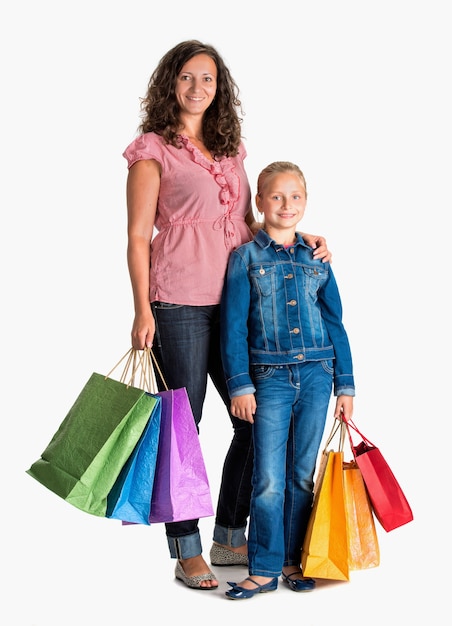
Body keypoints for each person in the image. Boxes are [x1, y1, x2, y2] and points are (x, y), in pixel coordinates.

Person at [123, 41, 332, 590]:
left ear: (220, 87)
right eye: (187, 77)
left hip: (244, 298)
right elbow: (137, 236)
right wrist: (142, 308)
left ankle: (230, 535)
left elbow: (246, 218)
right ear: (171, 83)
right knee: (184, 426)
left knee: (252, 416)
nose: (198, 88)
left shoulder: (230, 146)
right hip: (180, 302)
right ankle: (186, 549)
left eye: (209, 79)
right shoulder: (152, 150)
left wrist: (295, 239)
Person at [220, 161, 354, 600]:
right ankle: (261, 567)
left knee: (300, 475)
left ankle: (292, 560)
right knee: (268, 479)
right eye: (275, 196)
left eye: (295, 196)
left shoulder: (316, 257)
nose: (286, 204)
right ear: (259, 202)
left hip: (318, 375)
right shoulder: (245, 258)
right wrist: (239, 384)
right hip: (270, 379)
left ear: (306, 203)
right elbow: (233, 327)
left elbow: (335, 322)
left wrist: (346, 385)